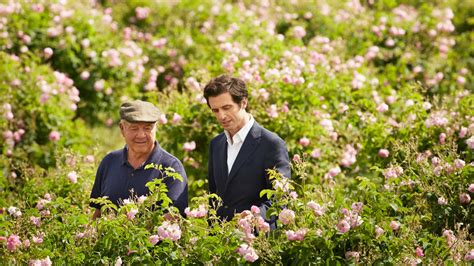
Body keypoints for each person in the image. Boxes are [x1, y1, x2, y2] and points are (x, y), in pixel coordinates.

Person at [204, 75, 291, 224]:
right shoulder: (216, 144)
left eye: (226, 108)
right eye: (215, 110)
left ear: (243, 102)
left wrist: (255, 218)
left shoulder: (271, 144)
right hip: (219, 241)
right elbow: (214, 197)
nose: (221, 116)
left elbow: (281, 199)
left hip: (256, 240)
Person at [90, 100, 188, 219]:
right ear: (122, 129)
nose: (141, 135)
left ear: (156, 128)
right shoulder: (109, 162)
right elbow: (98, 212)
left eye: (147, 128)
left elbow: (174, 217)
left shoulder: (171, 167)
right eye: (134, 128)